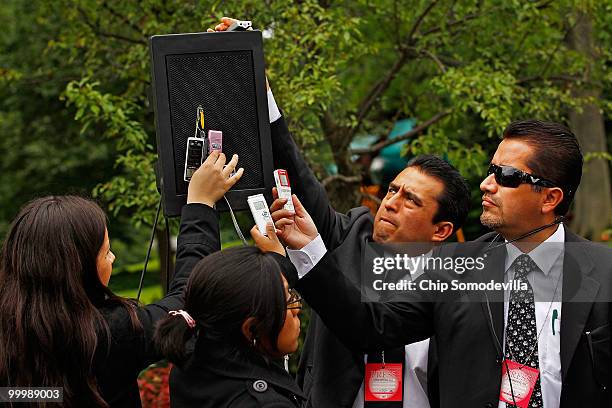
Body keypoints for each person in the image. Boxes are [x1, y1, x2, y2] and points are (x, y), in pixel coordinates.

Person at [271, 120, 612, 407]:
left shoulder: (604, 270)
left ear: (550, 198)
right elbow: (370, 326)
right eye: (491, 171)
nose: (486, 184)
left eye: (506, 176)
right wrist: (310, 250)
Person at [0, 151, 243, 407]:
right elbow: (186, 299)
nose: (113, 258)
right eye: (105, 252)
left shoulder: (11, 335)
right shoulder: (108, 336)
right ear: (78, 269)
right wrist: (200, 204)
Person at [154, 231, 306, 407]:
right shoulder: (265, 404)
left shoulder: (191, 363)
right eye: (287, 300)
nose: (298, 309)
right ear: (251, 329)